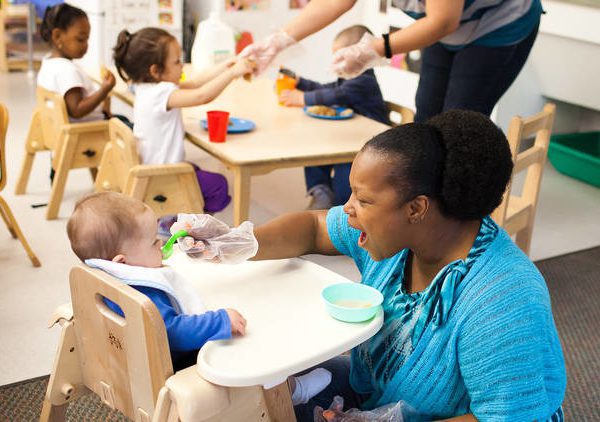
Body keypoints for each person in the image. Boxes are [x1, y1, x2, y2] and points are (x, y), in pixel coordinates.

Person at [249, 110, 566, 420]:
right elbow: (315, 229)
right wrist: (241, 242)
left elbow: (506, 417)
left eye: (363, 200)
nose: (347, 208)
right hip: (382, 392)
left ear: (416, 208)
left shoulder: (502, 301)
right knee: (263, 384)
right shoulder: (406, 233)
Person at [241, 0, 542, 122]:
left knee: (458, 123)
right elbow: (336, 1)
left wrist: (374, 48)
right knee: (427, 115)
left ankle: (463, 230)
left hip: (498, 25)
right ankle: (425, 217)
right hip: (445, 25)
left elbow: (442, 21)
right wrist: (278, 40)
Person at [66, 192, 247, 370]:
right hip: (170, 367)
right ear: (122, 262)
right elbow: (172, 333)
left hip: (119, 363)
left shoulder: (102, 276)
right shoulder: (143, 291)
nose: (161, 243)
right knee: (236, 355)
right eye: (153, 242)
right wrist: (220, 321)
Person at [112, 27, 254, 227]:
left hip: (152, 166)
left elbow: (196, 83)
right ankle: (177, 222)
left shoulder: (144, 88)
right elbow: (201, 95)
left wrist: (225, 65)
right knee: (218, 186)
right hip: (162, 175)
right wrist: (231, 74)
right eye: (177, 61)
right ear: (155, 70)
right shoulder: (162, 93)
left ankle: (178, 216)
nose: (182, 67)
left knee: (195, 171)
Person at [279, 25, 389, 210]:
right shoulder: (348, 77)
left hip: (367, 145)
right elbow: (328, 89)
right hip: (348, 138)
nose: (336, 63)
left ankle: (342, 205)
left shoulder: (364, 80)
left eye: (341, 57)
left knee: (346, 175)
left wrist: (302, 98)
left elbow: (337, 96)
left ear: (361, 55)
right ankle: (320, 190)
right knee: (316, 151)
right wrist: (302, 82)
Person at [37, 4, 123, 123]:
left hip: (75, 127)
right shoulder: (67, 70)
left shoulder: (48, 63)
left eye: (87, 39)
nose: (86, 45)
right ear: (57, 36)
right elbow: (77, 110)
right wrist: (104, 90)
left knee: (123, 120)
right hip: (89, 130)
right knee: (131, 127)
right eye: (80, 39)